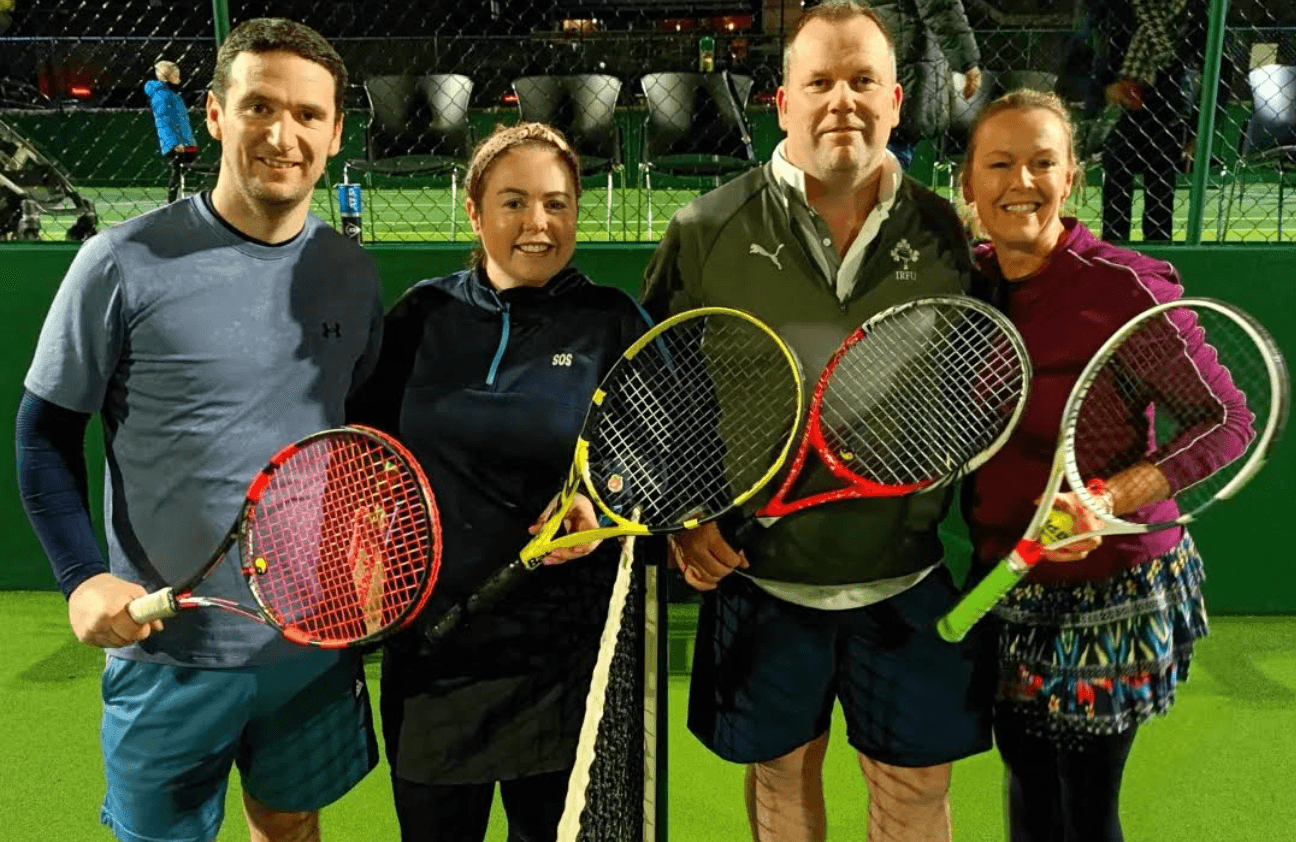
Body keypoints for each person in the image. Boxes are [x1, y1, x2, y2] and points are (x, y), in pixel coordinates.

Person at [16, 18, 383, 842]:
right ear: (214, 115)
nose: (283, 135)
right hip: (169, 652)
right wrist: (82, 578)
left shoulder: (350, 273)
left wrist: (362, 542)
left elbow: (352, 431)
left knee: (290, 825)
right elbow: (43, 437)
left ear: (334, 133)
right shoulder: (119, 262)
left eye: (308, 114)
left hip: (308, 641)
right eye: (259, 107)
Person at [642, 3, 994, 840]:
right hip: (762, 578)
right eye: (820, 81)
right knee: (781, 783)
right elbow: (656, 394)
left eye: (863, 80)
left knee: (913, 793)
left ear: (897, 101)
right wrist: (685, 518)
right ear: (783, 104)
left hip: (909, 575)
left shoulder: (948, 235)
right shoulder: (703, 230)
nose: (843, 100)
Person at [346, 122, 651, 842]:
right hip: (434, 654)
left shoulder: (612, 322)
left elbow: (663, 458)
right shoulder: (421, 315)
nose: (538, 224)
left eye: (557, 204)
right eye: (513, 202)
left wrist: (602, 503)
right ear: (474, 212)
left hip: (565, 660)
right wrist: (364, 536)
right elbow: (363, 449)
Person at [958, 88, 1242, 841]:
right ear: (968, 183)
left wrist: (1109, 497)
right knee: (1026, 780)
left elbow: (1224, 419)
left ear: (1072, 178)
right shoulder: (964, 284)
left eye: (1042, 163)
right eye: (1000, 164)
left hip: (1112, 585)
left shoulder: (1122, 289)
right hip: (1007, 575)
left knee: (1083, 802)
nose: (1021, 182)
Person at [1085, 0, 1206, 242]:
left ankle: (1157, 259)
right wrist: (1105, 89)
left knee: (1160, 207)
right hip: (1120, 114)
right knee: (1115, 202)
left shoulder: (1192, 13)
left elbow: (1219, 71)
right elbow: (1080, 61)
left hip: (1169, 118)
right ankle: (1113, 256)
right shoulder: (1113, 8)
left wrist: (1199, 128)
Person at [865, 0, 983, 169]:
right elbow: (940, 6)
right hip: (905, 61)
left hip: (863, 60)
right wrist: (967, 61)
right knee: (895, 148)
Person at [145, 60, 199, 204]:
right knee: (178, 171)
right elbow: (166, 122)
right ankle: (172, 202)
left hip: (184, 140)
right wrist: (175, 143)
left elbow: (178, 120)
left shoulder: (170, 94)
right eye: (175, 73)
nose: (178, 76)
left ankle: (176, 201)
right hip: (177, 142)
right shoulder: (163, 95)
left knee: (183, 171)